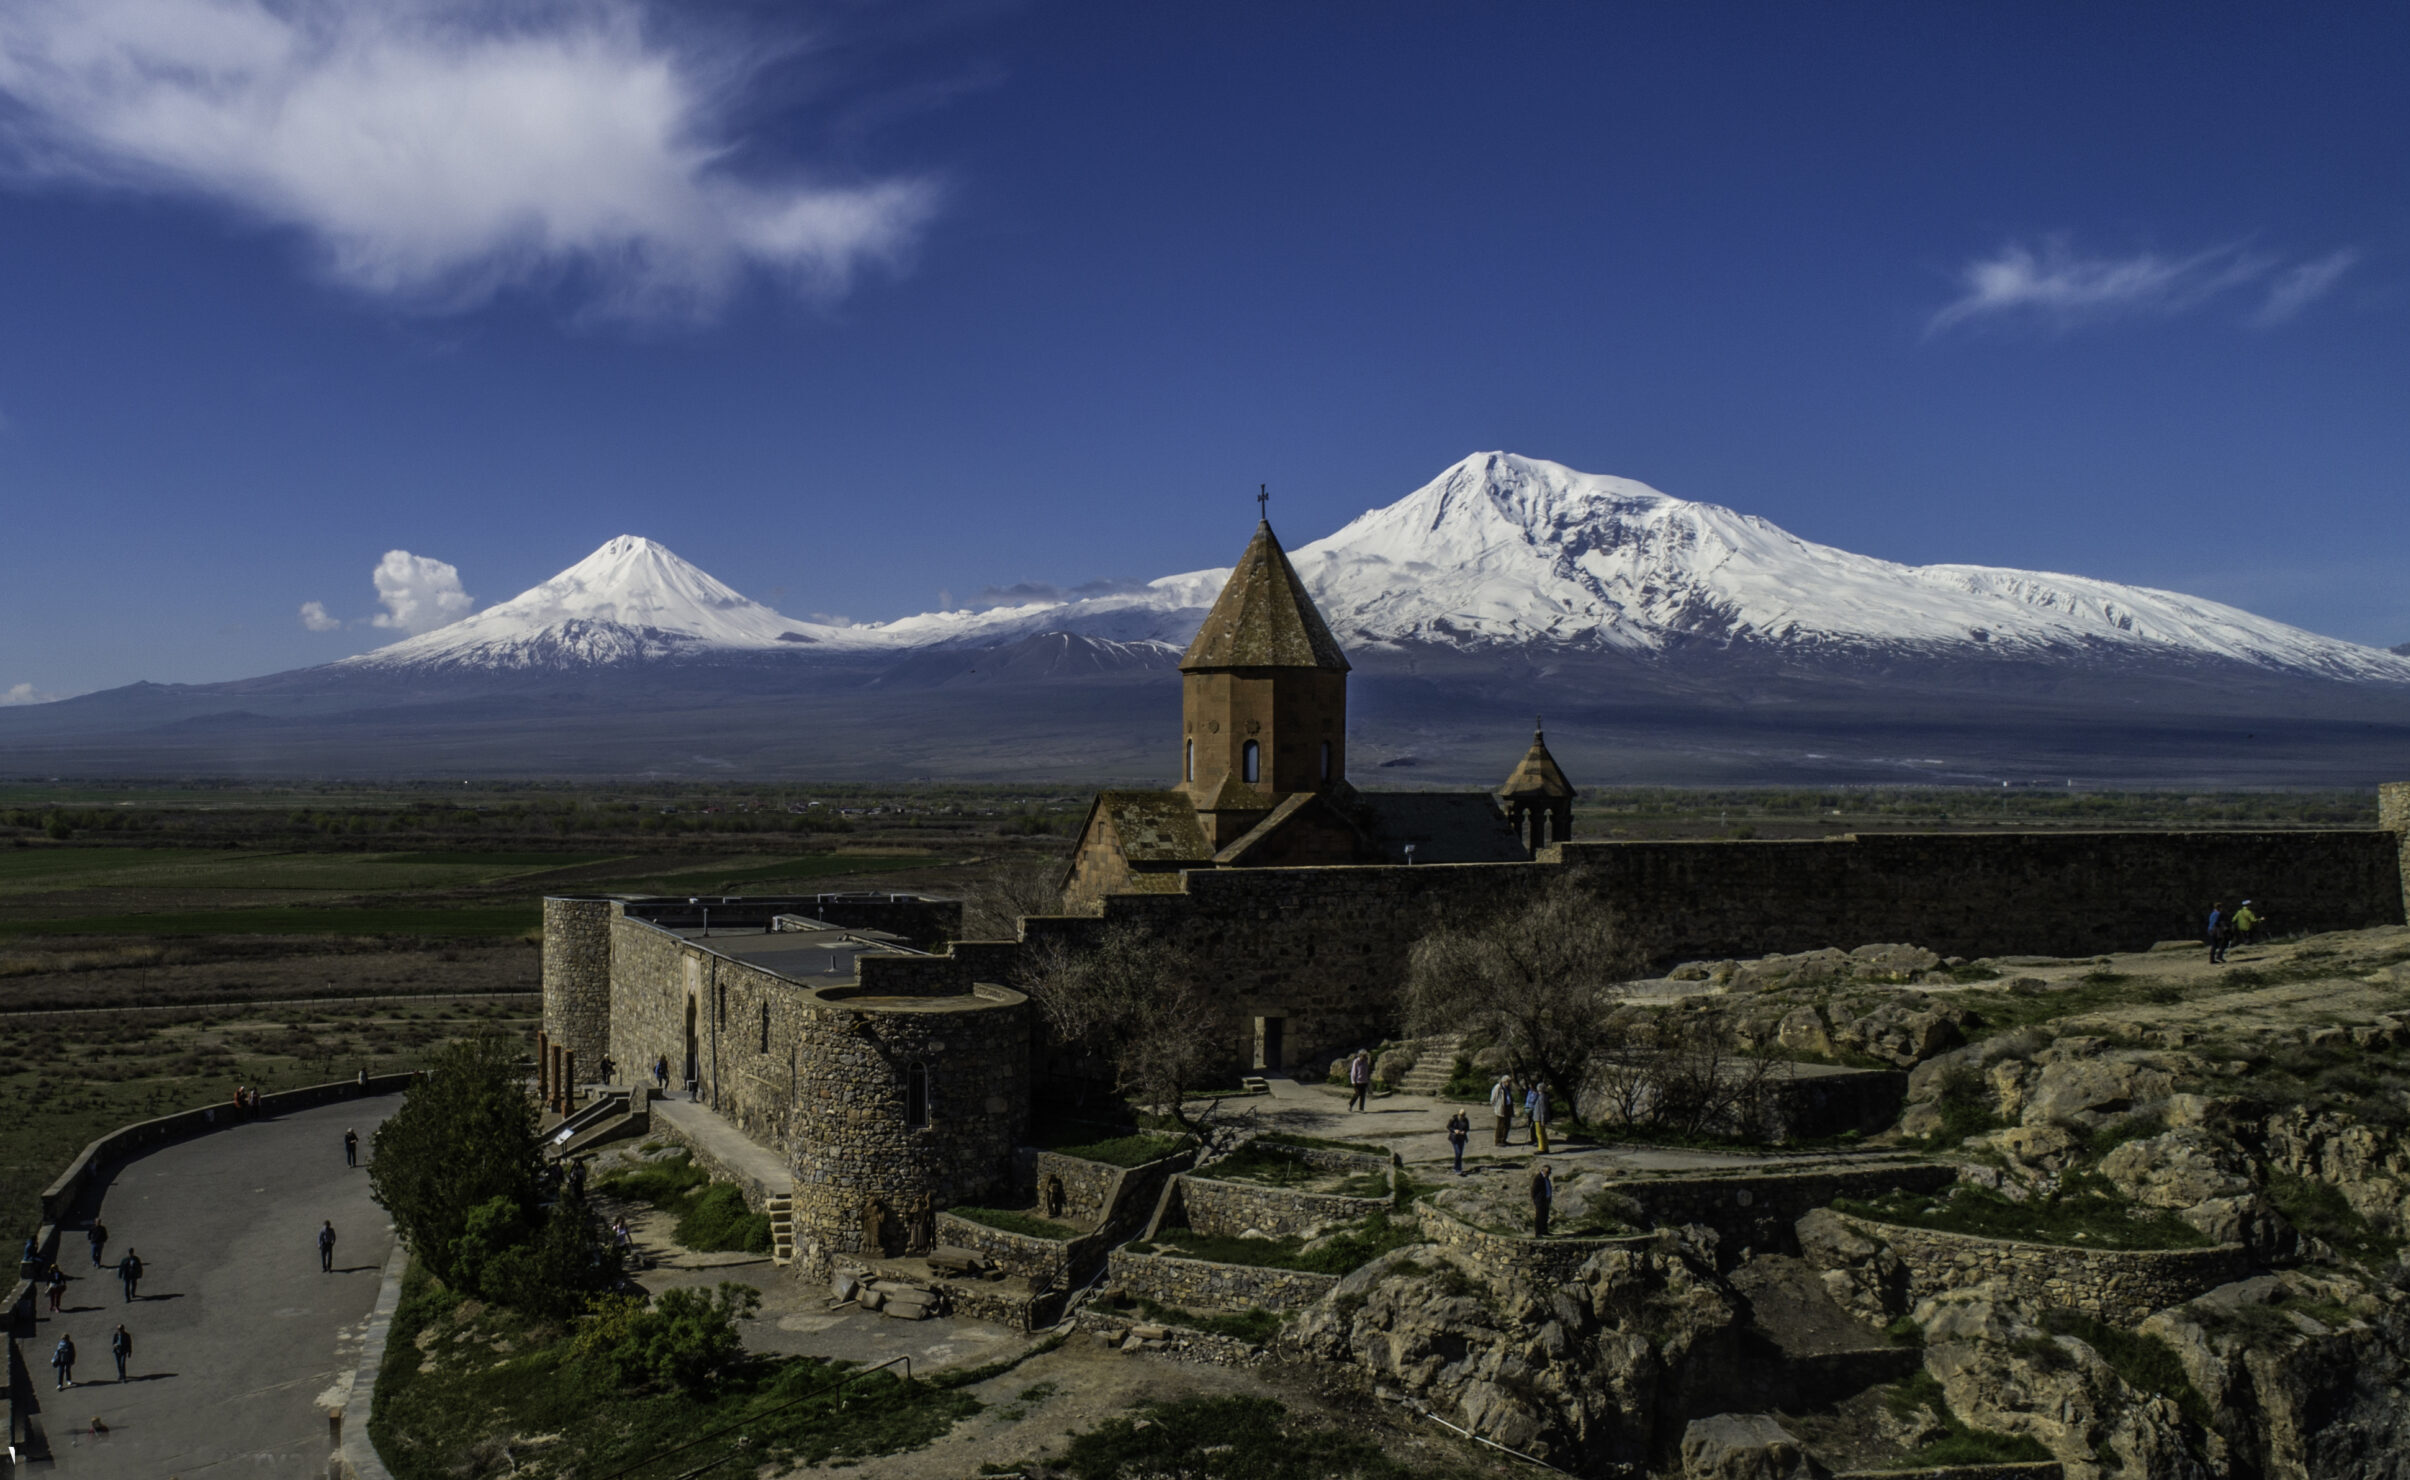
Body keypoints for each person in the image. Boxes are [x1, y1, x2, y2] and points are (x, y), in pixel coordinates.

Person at [1488, 1074, 1516, 1147]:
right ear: (1504, 1081)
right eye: (1508, 1081)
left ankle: (1504, 1139)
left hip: (1508, 1107)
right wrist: (1495, 1106)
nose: (1509, 1083)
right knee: (1500, 1125)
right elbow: (1493, 1098)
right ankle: (1498, 1140)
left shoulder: (1508, 1088)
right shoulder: (1498, 1087)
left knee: (1507, 1125)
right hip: (1501, 1108)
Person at [1526, 1082, 1552, 1155]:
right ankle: (1545, 1147)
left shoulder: (1542, 1097)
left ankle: (1541, 1148)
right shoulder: (1543, 1096)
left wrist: (1543, 1120)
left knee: (1539, 1134)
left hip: (1539, 1118)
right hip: (1538, 1117)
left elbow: (1543, 1110)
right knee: (1542, 1133)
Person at [1530, 1161, 1554, 1238]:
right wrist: (1536, 1199)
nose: (1549, 1173)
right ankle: (1538, 1232)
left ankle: (1544, 1230)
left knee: (1545, 1216)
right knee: (1539, 1216)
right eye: (1547, 1172)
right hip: (1540, 1200)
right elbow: (1534, 1190)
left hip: (1546, 1199)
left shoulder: (1546, 1178)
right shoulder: (1538, 1178)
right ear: (1543, 1171)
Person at [1445, 1109, 1471, 1175]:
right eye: (1461, 1115)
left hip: (1462, 1138)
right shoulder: (1453, 1119)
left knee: (1459, 1154)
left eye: (1464, 1115)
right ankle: (1458, 1169)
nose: (1462, 1116)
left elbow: (1467, 1128)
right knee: (1458, 1153)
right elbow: (1448, 1127)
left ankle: (1456, 1167)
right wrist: (1454, 1130)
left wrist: (1464, 1132)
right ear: (1458, 1114)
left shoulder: (1466, 1120)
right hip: (1454, 1138)